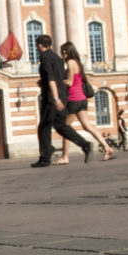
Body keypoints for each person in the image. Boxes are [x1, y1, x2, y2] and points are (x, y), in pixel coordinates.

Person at [31, 35, 92, 167]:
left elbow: (51, 79)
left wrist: (55, 97)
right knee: (61, 126)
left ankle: (45, 157)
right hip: (63, 95)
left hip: (52, 98)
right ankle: (85, 145)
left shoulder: (45, 58)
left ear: (40, 45)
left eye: (37, 45)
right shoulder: (58, 59)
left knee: (44, 127)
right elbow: (61, 76)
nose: (36, 48)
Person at [55, 42, 115, 164]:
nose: (61, 54)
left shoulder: (70, 63)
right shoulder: (78, 63)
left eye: (62, 52)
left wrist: (57, 82)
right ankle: (107, 147)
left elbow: (70, 82)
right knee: (87, 126)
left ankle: (65, 156)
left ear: (66, 52)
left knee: (65, 128)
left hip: (73, 99)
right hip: (82, 99)